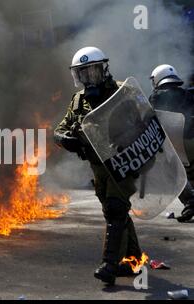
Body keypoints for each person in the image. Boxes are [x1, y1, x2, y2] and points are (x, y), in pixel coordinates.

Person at [54, 47, 143, 285]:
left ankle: (109, 266)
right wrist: (64, 138)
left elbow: (142, 123)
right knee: (116, 210)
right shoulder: (78, 100)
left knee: (115, 208)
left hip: (124, 161)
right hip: (98, 166)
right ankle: (134, 259)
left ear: (103, 69)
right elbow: (61, 128)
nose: (87, 79)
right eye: (82, 74)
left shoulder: (122, 92)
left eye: (91, 72)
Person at [149, 64, 194, 222]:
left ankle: (190, 202)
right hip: (192, 142)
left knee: (173, 173)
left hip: (175, 146)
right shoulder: (189, 93)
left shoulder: (155, 97)